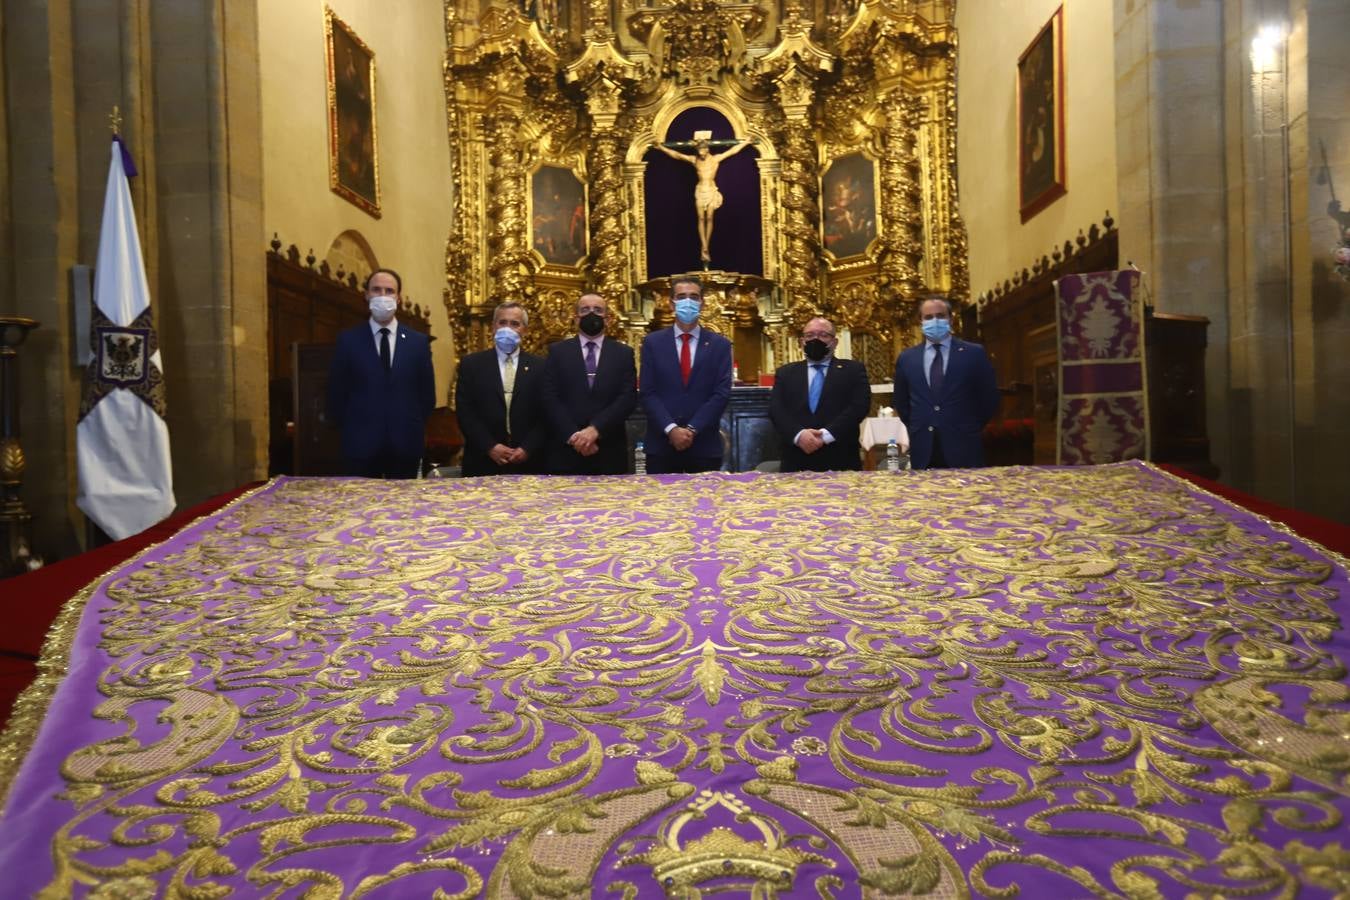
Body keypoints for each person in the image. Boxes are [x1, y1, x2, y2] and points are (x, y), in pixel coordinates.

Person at [326, 268, 436, 478]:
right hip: (360, 446)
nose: (383, 296)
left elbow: (426, 397)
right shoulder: (348, 341)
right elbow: (337, 393)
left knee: (403, 508)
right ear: (366, 295)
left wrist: (408, 424)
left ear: (398, 298)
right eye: (377, 290)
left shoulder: (417, 343)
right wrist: (353, 428)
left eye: (389, 291)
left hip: (405, 445)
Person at [891, 297, 1000, 469]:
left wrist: (968, 426)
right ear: (920, 321)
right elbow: (902, 402)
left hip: (964, 444)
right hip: (924, 446)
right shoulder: (907, 358)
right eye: (928, 317)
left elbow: (988, 398)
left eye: (940, 316)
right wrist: (918, 426)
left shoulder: (973, 353)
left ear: (951, 318)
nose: (934, 321)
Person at [639, 277, 733, 474]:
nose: (688, 302)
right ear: (672, 302)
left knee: (706, 503)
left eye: (694, 296)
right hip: (661, 446)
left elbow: (721, 394)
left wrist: (691, 429)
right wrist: (671, 429)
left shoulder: (720, 345)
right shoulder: (652, 343)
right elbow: (648, 392)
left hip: (704, 446)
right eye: (681, 297)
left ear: (702, 303)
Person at [540, 293, 638, 475]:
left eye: (598, 310)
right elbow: (549, 397)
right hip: (565, 449)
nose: (591, 314)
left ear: (607, 319)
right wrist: (574, 436)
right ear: (576, 319)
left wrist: (595, 430)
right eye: (585, 310)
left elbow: (627, 398)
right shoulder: (557, 352)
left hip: (608, 449)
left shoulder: (623, 353)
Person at [768, 317, 872, 472]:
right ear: (802, 342)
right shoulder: (786, 372)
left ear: (835, 342)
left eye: (823, 335)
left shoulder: (853, 370)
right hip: (796, 457)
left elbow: (859, 406)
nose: (815, 339)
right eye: (810, 335)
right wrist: (799, 435)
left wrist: (826, 435)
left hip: (840, 457)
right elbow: (776, 409)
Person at [454, 302, 545, 476]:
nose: (507, 328)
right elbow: (465, 412)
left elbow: (546, 414)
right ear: (493, 327)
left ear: (525, 330)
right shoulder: (472, 364)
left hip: (529, 462)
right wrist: (490, 447)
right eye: (502, 323)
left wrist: (527, 448)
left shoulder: (541, 366)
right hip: (482, 460)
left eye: (515, 324)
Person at [654, 138, 753, 264]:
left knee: (710, 218)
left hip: (711, 189)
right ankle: (704, 246)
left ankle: (707, 245)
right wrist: (662, 148)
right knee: (701, 218)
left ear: (707, 150)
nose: (701, 152)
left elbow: (732, 151)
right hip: (700, 190)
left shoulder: (715, 159)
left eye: (703, 149)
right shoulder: (695, 160)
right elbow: (677, 155)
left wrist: (745, 142)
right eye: (699, 150)